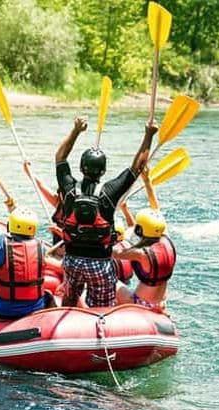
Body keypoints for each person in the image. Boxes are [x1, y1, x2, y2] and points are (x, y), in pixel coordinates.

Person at [55, 115, 156, 307]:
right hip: (99, 263)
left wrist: (76, 130)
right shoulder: (109, 191)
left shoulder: (69, 189)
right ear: (103, 171)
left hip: (72, 261)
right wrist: (148, 135)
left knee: (69, 298)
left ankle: (67, 312)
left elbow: (60, 158)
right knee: (101, 307)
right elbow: (137, 167)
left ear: (81, 168)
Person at [0, 168, 48, 319]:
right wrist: (12, 208)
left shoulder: (0, 245)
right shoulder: (41, 247)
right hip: (36, 309)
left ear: (11, 226)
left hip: (5, 311)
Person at [114, 208, 176, 309]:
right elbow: (157, 209)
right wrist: (124, 208)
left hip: (141, 303)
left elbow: (114, 252)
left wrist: (125, 239)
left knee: (112, 280)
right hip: (161, 303)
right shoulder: (167, 241)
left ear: (139, 230)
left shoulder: (141, 254)